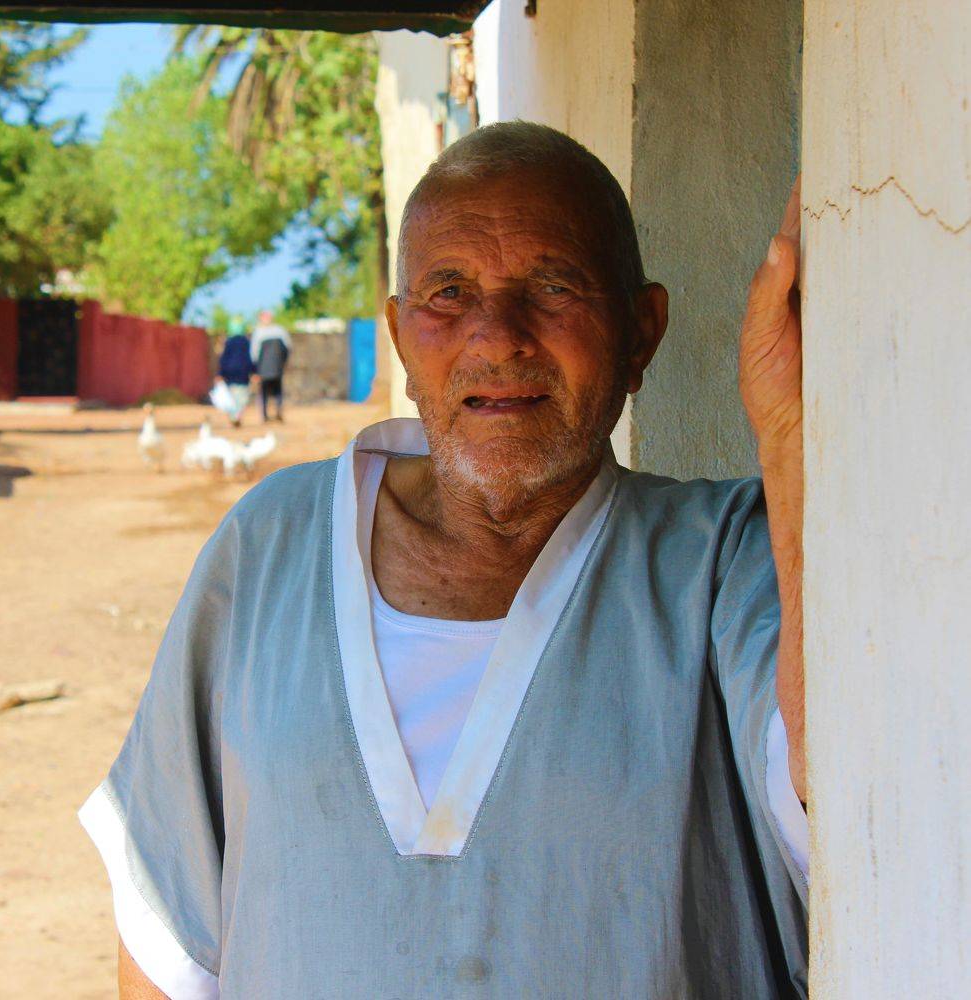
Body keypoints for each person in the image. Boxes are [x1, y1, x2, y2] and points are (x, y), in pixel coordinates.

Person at [80, 122, 808, 998]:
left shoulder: (724, 559)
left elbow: (855, 801)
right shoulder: (271, 548)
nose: (497, 338)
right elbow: (167, 941)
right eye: (448, 292)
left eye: (553, 286)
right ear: (399, 334)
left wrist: (791, 434)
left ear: (640, 332)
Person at [248, 309, 291, 422]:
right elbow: (288, 348)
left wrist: (255, 368)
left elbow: (254, 352)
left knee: (265, 391)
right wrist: (283, 362)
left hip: (264, 367)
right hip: (277, 367)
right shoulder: (280, 331)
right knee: (277, 391)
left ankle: (266, 414)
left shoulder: (259, 332)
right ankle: (275, 412)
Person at [213, 321, 254, 427]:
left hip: (229, 373)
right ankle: (237, 416)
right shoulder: (246, 342)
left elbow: (224, 359)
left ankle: (233, 417)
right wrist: (254, 371)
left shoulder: (228, 342)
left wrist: (220, 373)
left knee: (231, 397)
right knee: (241, 396)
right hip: (243, 373)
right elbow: (249, 358)